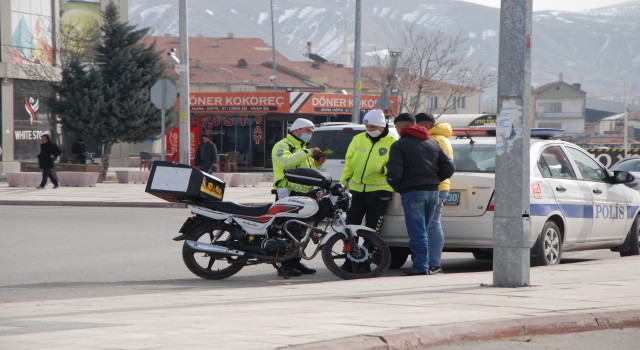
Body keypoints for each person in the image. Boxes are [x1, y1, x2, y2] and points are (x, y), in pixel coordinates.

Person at [386, 113, 454, 275]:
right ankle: (431, 265)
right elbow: (449, 167)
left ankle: (420, 267)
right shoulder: (432, 143)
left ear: (401, 127)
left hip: (412, 192)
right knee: (427, 228)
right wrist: (435, 179)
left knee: (417, 232)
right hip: (433, 191)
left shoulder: (399, 145)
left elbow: (394, 172)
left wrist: (399, 187)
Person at [339, 109, 397, 273]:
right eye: (367, 127)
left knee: (372, 230)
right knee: (350, 228)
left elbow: (396, 165)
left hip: (379, 192)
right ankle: (349, 261)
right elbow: (349, 162)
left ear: (381, 126)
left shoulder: (392, 142)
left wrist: (384, 170)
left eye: (373, 127)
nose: (370, 130)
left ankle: (365, 261)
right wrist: (344, 182)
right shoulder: (357, 139)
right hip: (357, 190)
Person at [271, 117, 326, 277]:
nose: (309, 134)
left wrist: (318, 163)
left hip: (304, 193)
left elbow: (306, 169)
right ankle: (285, 265)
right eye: (307, 131)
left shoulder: (303, 147)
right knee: (289, 230)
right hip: (288, 192)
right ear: (296, 130)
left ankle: (294, 261)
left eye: (311, 132)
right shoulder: (283, 145)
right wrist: (307, 152)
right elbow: (286, 163)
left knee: (301, 231)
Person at [415, 112, 454, 275]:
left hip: (437, 187)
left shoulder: (437, 140)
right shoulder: (433, 138)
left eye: (418, 126)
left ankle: (435, 264)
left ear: (426, 126)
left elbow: (444, 165)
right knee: (428, 225)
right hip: (432, 186)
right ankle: (429, 262)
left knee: (432, 224)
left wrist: (433, 180)